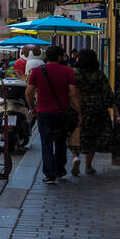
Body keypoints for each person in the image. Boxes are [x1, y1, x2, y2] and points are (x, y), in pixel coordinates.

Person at [26, 45, 80, 185]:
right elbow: (73, 93)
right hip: (62, 112)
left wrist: (32, 108)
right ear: (59, 57)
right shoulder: (67, 71)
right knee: (61, 141)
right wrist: (79, 111)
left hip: (43, 112)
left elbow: (29, 92)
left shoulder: (37, 71)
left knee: (46, 143)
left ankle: (50, 174)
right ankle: (60, 169)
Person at [69, 49, 113, 176]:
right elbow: (107, 92)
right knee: (92, 136)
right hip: (96, 108)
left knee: (75, 133)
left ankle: (75, 156)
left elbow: (70, 91)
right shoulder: (99, 74)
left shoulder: (74, 73)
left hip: (78, 106)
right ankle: (88, 166)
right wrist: (112, 107)